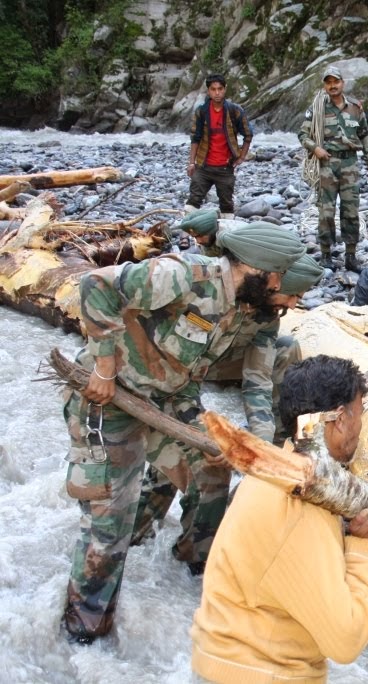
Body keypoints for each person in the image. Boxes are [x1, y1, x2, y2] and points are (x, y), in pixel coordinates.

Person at [61, 223, 304, 643]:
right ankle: (85, 631)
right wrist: (102, 366)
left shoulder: (238, 308)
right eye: (277, 275)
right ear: (253, 268)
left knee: (212, 468)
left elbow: (186, 373)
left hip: (165, 404)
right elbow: (95, 285)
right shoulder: (181, 276)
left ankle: (193, 568)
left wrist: (202, 431)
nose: (280, 285)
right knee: (109, 524)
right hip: (108, 405)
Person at [190, 354, 368, 683]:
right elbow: (346, 640)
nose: (361, 424)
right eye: (360, 411)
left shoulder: (283, 471)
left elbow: (315, 568)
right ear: (339, 419)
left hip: (233, 665)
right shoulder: (298, 508)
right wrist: (365, 543)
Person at [132, 254, 325, 546]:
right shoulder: (218, 292)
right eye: (293, 294)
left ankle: (194, 558)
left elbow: (257, 380)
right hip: (161, 379)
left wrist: (258, 445)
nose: (294, 305)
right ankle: (136, 533)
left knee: (208, 462)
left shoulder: (267, 317)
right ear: (274, 283)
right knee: (175, 460)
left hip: (200, 375)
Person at [299, 64, 368, 272]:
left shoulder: (355, 108)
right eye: (328, 82)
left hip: (350, 163)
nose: (332, 86)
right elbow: (303, 135)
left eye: (336, 81)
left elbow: (365, 136)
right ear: (325, 85)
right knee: (326, 211)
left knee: (351, 210)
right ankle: (325, 254)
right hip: (327, 164)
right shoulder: (317, 108)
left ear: (342, 83)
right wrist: (315, 148)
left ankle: (350, 255)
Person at [186, 74, 252, 218]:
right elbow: (195, 138)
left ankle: (225, 237)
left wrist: (241, 157)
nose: (217, 93)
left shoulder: (235, 111)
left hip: (225, 168)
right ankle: (187, 237)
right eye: (213, 89)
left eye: (220, 89)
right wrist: (192, 163)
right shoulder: (201, 112)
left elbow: (248, 134)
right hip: (203, 166)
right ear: (208, 91)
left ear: (225, 89)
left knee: (227, 206)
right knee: (192, 202)